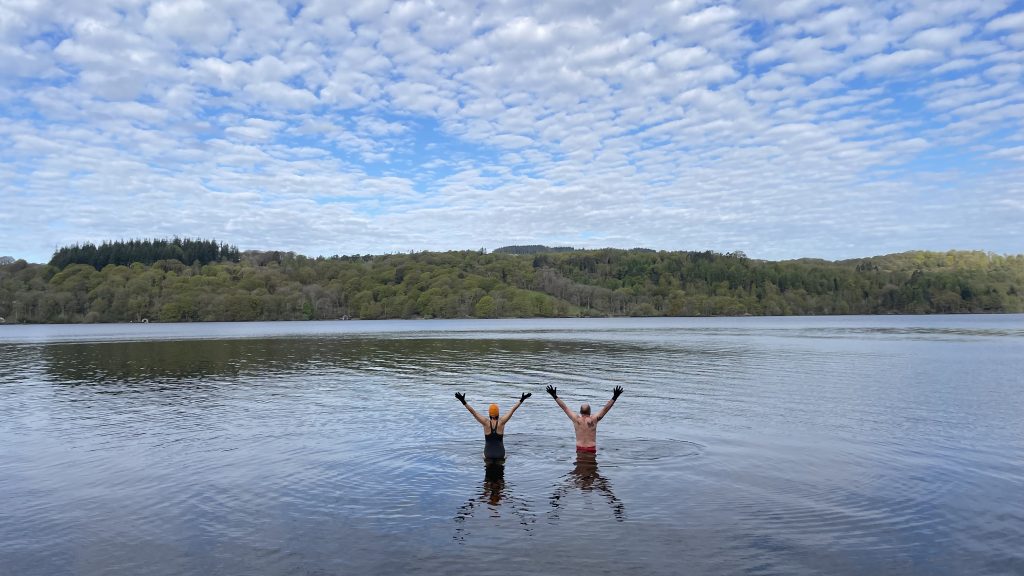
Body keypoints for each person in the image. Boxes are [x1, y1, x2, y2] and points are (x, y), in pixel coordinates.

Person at [454, 391, 531, 462]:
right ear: (498, 413)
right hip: (500, 454)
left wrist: (463, 401)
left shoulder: (485, 423)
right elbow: (512, 410)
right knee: (502, 468)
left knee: (486, 465)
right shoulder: (502, 422)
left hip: (488, 455)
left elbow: (473, 412)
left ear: (489, 414)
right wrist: (522, 399)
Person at [546, 385, 623, 453]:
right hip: (591, 449)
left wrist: (554, 396)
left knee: (579, 469)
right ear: (590, 411)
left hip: (579, 448)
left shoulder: (576, 419)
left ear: (580, 411)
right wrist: (615, 397)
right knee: (592, 469)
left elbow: (564, 407)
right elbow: (605, 409)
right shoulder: (594, 419)